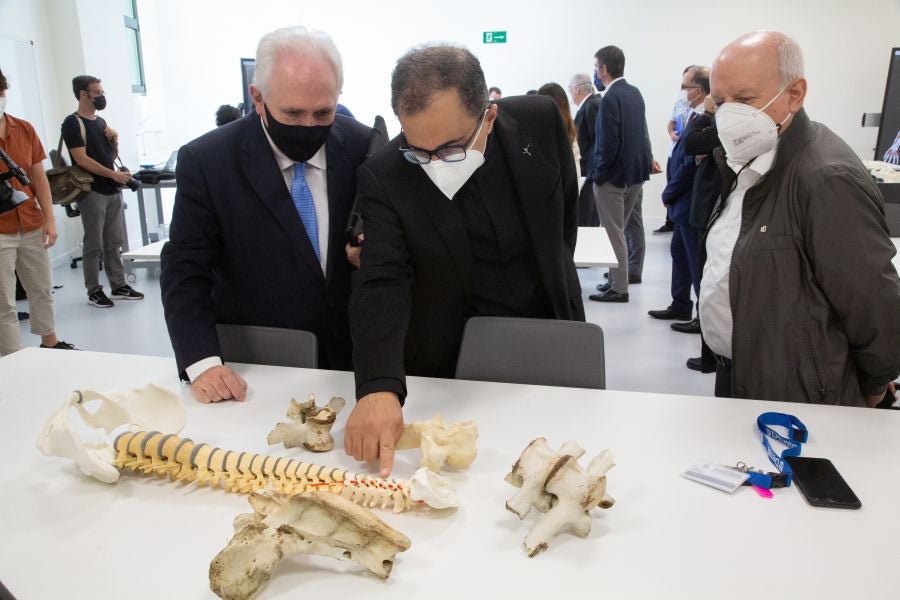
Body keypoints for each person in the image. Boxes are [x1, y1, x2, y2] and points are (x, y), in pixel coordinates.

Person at [346, 44, 584, 475]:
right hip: (454, 359)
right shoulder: (385, 174)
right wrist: (378, 386)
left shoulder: (539, 120)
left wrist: (558, 272)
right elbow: (382, 280)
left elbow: (565, 206)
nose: (434, 164)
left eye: (451, 148)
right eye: (419, 150)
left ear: (487, 117)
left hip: (549, 325)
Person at [160, 26, 372, 403]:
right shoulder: (209, 162)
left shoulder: (364, 147)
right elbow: (185, 269)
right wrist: (203, 362)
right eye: (292, 113)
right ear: (257, 98)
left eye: (324, 112)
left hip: (355, 362)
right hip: (256, 370)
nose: (309, 126)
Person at [701, 31, 900, 406]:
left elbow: (873, 303)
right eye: (720, 102)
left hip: (800, 393)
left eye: (744, 100)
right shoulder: (748, 160)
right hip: (743, 373)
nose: (728, 116)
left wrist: (872, 385)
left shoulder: (825, 178)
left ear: (794, 94)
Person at [0, 68, 74, 355]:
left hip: (30, 221)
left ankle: (50, 341)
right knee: (3, 299)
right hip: (1, 230)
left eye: (1, 91)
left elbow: (39, 176)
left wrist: (50, 219)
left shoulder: (24, 128)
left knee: (41, 288)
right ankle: (12, 355)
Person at [62, 75, 144, 308]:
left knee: (114, 242)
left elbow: (108, 156)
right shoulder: (72, 123)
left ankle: (118, 285)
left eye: (101, 92)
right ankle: (94, 290)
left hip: (112, 189)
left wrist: (115, 140)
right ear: (83, 94)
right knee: (94, 244)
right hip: (92, 190)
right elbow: (81, 159)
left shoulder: (100, 122)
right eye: (96, 92)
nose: (101, 96)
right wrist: (113, 175)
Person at [589, 45, 658, 303]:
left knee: (613, 232)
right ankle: (616, 280)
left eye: (596, 67)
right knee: (621, 230)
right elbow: (642, 134)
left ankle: (619, 288)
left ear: (604, 69)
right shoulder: (634, 93)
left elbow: (608, 142)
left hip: (613, 178)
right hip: (635, 176)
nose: (595, 72)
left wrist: (599, 175)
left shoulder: (610, 98)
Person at [648, 66, 709, 329]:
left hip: (688, 198)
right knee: (679, 251)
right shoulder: (693, 116)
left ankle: (702, 316)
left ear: (697, 91)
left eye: (685, 86)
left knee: (696, 260)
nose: (682, 91)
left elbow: (688, 163)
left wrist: (669, 191)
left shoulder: (704, 120)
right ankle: (681, 304)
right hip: (682, 197)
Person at [568, 73, 601, 226]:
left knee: (587, 218)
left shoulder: (591, 105)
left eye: (569, 89)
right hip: (589, 170)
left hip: (589, 171)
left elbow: (598, 140)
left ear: (576, 89)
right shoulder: (591, 105)